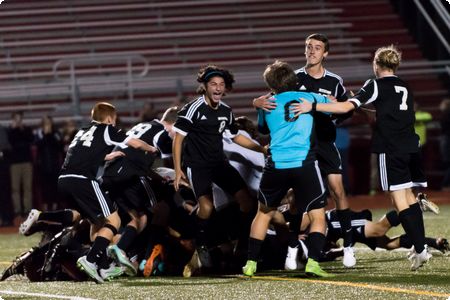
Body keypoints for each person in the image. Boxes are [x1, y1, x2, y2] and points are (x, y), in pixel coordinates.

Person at [293, 45, 430, 271]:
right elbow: (384, 113)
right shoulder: (404, 85)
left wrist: (315, 104)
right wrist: (356, 106)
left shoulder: (375, 84)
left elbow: (348, 105)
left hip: (391, 148)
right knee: (409, 196)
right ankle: (420, 248)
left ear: (375, 64)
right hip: (411, 146)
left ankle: (421, 248)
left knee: (399, 201)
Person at [22, 102, 157, 283]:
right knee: (114, 220)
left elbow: (84, 154)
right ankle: (91, 260)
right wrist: (150, 148)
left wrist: (109, 156)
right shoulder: (107, 129)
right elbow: (134, 142)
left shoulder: (82, 131)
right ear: (109, 118)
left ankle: (41, 216)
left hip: (63, 179)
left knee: (81, 216)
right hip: (83, 179)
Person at [253, 33, 356, 268]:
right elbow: (270, 99)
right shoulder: (294, 77)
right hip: (302, 146)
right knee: (297, 200)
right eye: (308, 47)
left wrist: (332, 109)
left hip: (326, 143)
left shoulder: (334, 80)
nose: (311, 51)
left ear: (325, 53)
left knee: (338, 191)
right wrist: (255, 103)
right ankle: (292, 248)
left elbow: (346, 109)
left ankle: (349, 246)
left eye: (317, 48)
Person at [242, 60, 333, 278]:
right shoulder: (307, 97)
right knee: (317, 215)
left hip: (276, 165)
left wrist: (257, 104)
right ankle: (312, 263)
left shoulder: (267, 103)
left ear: (271, 85)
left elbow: (262, 129)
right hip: (304, 163)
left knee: (262, 214)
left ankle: (250, 264)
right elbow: (330, 103)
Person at [172, 64, 266, 274]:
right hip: (197, 166)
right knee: (206, 208)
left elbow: (237, 136)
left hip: (218, 164)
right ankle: (201, 244)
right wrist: (178, 170)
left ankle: (240, 242)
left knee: (246, 201)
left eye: (221, 85)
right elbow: (178, 140)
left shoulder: (226, 111)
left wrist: (261, 148)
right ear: (204, 86)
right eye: (213, 84)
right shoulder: (193, 109)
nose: (217, 88)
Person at [101, 106, 179, 277]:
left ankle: (112, 259)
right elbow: (169, 159)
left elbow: (138, 158)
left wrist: (159, 178)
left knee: (137, 218)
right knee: (159, 210)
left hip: (110, 173)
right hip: (128, 173)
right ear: (173, 124)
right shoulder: (162, 132)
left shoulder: (144, 126)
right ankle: (146, 256)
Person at [7, 111, 34, 223]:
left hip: (26, 161)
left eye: (19, 119)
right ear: (13, 119)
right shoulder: (9, 131)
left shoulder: (26, 130)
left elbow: (30, 140)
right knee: (15, 188)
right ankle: (18, 211)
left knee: (27, 187)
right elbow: (9, 143)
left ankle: (27, 210)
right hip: (14, 163)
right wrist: (14, 129)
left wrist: (21, 129)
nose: (18, 121)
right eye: (16, 119)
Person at [34, 116, 64, 211]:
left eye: (49, 123)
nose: (47, 125)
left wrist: (50, 135)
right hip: (43, 165)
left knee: (55, 186)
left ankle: (55, 206)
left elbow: (60, 145)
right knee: (45, 187)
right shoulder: (39, 133)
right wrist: (45, 135)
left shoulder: (56, 133)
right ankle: (46, 206)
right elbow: (38, 145)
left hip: (54, 165)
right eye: (45, 123)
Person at [439, 98, 450, 191]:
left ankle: (445, 185)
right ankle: (445, 184)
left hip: (445, 139)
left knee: (447, 163)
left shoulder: (444, 115)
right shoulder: (445, 115)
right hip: (446, 139)